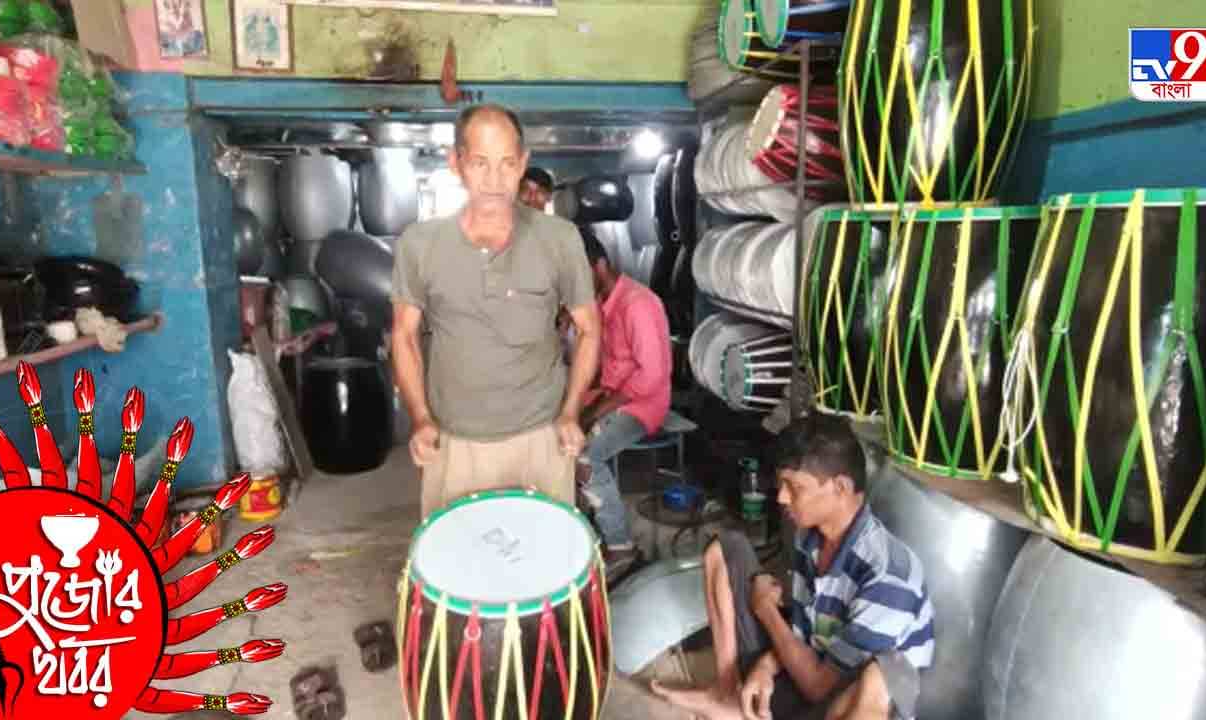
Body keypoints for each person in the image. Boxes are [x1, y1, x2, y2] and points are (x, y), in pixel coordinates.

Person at [390, 104, 602, 519]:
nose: (494, 179)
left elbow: (589, 329)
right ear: (457, 163)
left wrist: (571, 412)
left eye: (507, 163)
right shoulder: (420, 244)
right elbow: (403, 335)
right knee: (457, 569)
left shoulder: (559, 238)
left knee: (541, 568)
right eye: (480, 163)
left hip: (541, 439)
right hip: (454, 441)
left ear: (523, 164)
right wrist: (420, 418)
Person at [652, 415, 934, 720]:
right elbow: (804, 635)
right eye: (781, 483)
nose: (781, 497)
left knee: (873, 685)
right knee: (726, 548)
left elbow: (819, 686)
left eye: (794, 486)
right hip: (807, 674)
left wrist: (766, 610)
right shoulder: (808, 538)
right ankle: (728, 693)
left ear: (840, 488)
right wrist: (765, 668)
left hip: (835, 700)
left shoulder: (888, 576)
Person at [575, 226, 671, 570]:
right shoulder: (603, 304)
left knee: (585, 455)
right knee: (558, 430)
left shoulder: (639, 304)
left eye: (579, 274)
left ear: (599, 265)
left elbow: (651, 378)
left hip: (642, 405)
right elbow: (607, 366)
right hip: (613, 396)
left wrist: (596, 410)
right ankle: (584, 529)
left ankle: (619, 545)